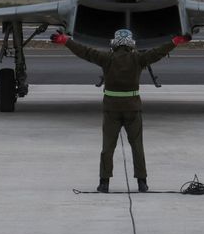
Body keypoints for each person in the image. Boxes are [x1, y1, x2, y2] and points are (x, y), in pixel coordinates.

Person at [50, 28, 190, 193]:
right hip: (133, 109)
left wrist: (66, 40)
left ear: (114, 43)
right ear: (131, 44)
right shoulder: (138, 58)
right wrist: (174, 42)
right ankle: (142, 182)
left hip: (111, 109)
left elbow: (85, 52)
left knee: (107, 147)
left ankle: (104, 183)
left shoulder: (106, 58)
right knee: (137, 146)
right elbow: (157, 53)